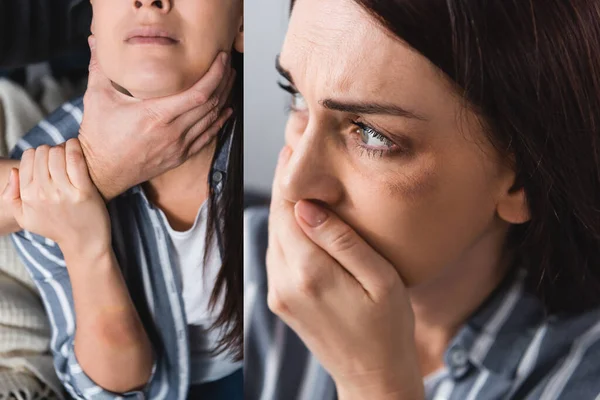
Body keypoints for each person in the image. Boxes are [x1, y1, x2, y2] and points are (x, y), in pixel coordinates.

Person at [244, 0, 600, 399]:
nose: (292, 184)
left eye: (373, 134)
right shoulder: (236, 269)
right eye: (296, 98)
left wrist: (373, 382)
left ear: (524, 183)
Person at [1, 0, 244, 399]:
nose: (149, 1)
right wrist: (85, 245)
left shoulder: (283, 137)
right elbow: (106, 392)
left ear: (243, 24)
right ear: (92, 19)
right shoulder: (44, 160)